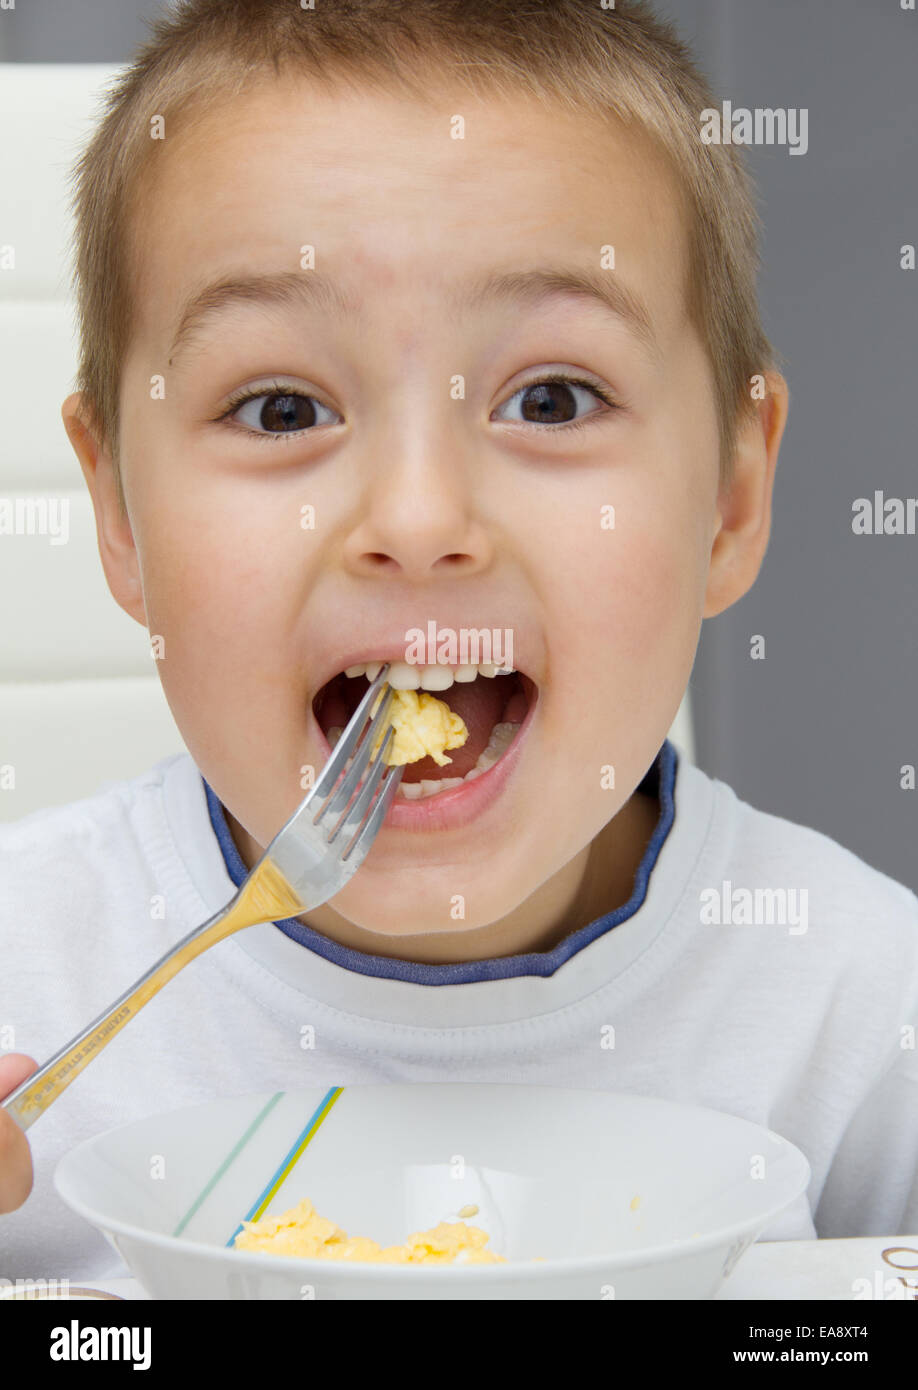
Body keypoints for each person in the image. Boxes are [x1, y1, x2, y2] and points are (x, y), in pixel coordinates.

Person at [2, 0, 916, 1281]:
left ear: (731, 501)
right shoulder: (23, 982)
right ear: (120, 520)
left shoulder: (864, 1003)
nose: (420, 520)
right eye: (280, 407)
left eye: (549, 398)